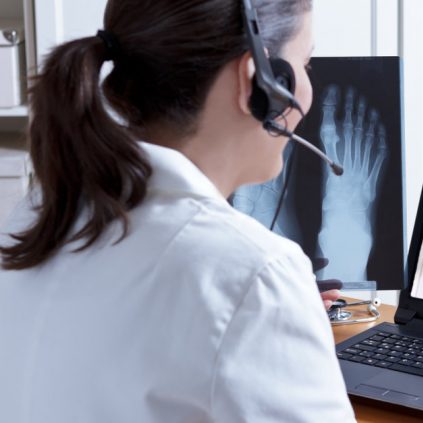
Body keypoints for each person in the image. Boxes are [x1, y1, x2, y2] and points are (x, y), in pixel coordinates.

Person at [0, 1, 355, 421]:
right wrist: (272, 310)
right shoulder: (255, 275)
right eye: (306, 66)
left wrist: (277, 320)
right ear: (257, 83)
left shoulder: (36, 215)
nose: (308, 92)